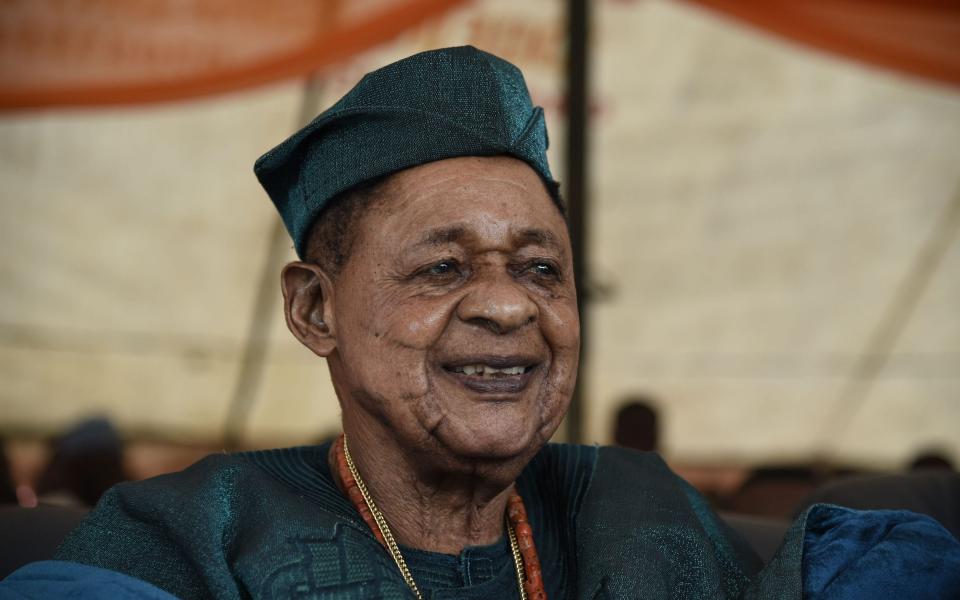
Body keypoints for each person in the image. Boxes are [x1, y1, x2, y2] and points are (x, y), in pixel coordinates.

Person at [3, 46, 958, 599]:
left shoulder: (636, 506)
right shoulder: (188, 531)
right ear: (314, 308)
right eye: (444, 265)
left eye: (542, 267)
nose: (509, 307)